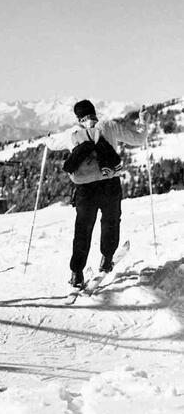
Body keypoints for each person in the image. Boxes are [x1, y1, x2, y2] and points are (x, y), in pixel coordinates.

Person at [61, 99, 146, 288]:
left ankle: (77, 273)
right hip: (109, 184)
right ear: (94, 112)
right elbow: (139, 139)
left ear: (77, 116)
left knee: (83, 229)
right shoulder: (109, 126)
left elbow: (52, 143)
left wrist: (48, 139)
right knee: (111, 222)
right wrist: (142, 121)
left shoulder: (71, 134)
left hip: (85, 190)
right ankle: (107, 259)